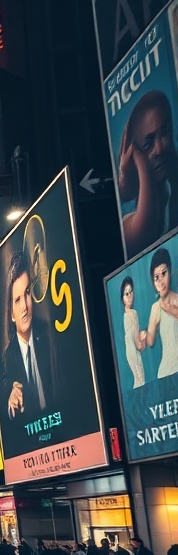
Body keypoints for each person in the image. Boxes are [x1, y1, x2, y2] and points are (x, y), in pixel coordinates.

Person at [118, 90, 178, 257]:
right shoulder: (127, 221)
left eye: (165, 131)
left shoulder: (170, 190)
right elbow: (146, 225)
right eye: (148, 144)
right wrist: (139, 160)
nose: (159, 149)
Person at [1, 249, 56, 420]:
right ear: (11, 314)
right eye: (17, 300)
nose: (24, 306)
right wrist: (11, 403)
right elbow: (6, 405)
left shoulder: (47, 334)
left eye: (27, 293)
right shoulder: (8, 358)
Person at [139, 248, 178, 379]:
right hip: (166, 374)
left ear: (170, 271)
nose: (160, 281)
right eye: (156, 277)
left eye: (163, 274)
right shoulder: (155, 308)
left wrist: (168, 308)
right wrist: (142, 338)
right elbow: (150, 341)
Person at [120, 277, 147, 388]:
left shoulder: (125, 315)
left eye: (131, 291)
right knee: (141, 381)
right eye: (126, 293)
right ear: (122, 298)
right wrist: (144, 337)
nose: (130, 295)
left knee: (138, 380)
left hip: (129, 352)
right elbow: (139, 344)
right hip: (134, 353)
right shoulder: (133, 314)